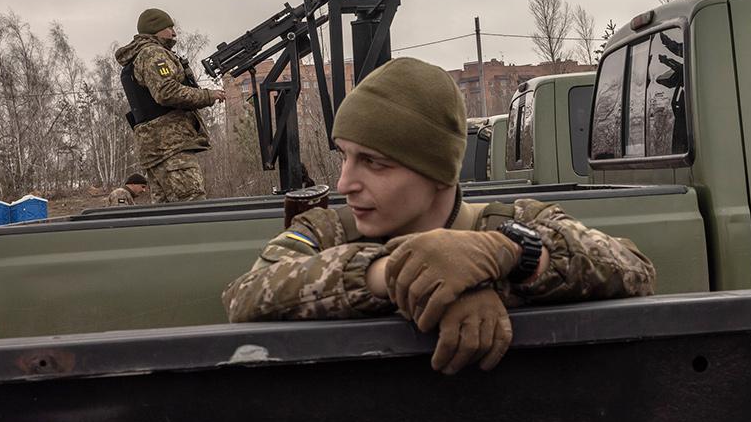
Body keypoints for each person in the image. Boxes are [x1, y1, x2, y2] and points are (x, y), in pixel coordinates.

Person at [222, 57, 655, 375]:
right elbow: (246, 297)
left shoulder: (513, 219)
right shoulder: (327, 231)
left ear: (436, 172)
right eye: (345, 157)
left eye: (373, 162)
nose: (344, 184)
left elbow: (634, 270)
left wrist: (510, 253)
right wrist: (396, 272)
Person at [115, 8, 225, 203]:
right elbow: (167, 91)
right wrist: (208, 95)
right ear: (155, 30)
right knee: (193, 205)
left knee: (166, 214)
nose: (174, 33)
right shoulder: (153, 53)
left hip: (155, 150)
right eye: (169, 28)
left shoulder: (138, 56)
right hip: (171, 146)